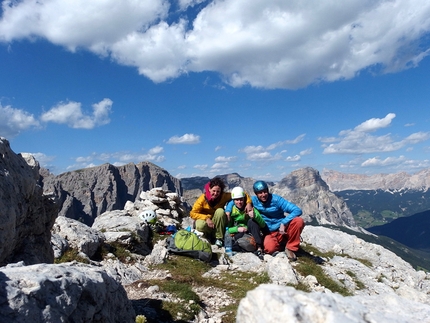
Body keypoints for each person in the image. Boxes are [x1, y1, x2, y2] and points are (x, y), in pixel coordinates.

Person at [190, 177, 252, 247]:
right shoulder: (202, 199)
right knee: (200, 225)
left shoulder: (224, 196)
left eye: (218, 191)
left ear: (221, 191)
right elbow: (192, 213)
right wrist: (206, 218)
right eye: (213, 191)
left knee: (220, 211)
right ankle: (209, 235)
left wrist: (249, 203)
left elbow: (242, 194)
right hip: (205, 220)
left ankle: (218, 238)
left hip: (218, 221)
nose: (215, 193)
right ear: (209, 189)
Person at [251, 180, 305, 261]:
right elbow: (237, 201)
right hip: (269, 232)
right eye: (260, 193)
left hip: (282, 229)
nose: (263, 195)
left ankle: (291, 248)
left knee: (298, 221)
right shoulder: (253, 201)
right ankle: (282, 244)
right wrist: (248, 205)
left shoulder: (276, 199)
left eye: (265, 191)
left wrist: (284, 223)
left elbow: (297, 210)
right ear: (256, 194)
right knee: (270, 249)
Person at [225, 186, 268, 260]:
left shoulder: (250, 208)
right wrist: (237, 229)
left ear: (244, 199)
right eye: (237, 200)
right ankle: (242, 248)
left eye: (241, 199)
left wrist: (255, 216)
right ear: (233, 201)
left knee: (252, 222)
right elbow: (227, 230)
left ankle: (259, 248)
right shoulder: (231, 211)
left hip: (250, 232)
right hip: (238, 233)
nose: (239, 202)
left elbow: (262, 224)